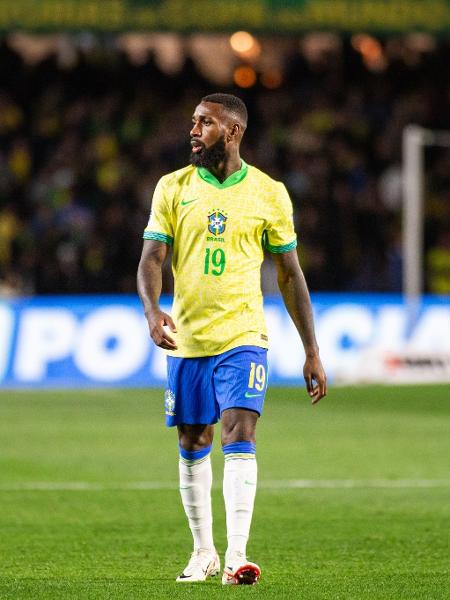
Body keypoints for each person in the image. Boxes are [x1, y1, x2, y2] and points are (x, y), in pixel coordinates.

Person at [137, 93, 327, 585]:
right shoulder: (172, 188)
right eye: (193, 122)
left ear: (233, 130)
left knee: (240, 431)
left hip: (244, 335)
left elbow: (290, 275)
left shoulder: (269, 192)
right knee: (193, 440)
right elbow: (152, 259)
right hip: (188, 338)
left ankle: (238, 556)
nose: (193, 130)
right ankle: (203, 553)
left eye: (205, 123)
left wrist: (311, 350)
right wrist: (152, 309)